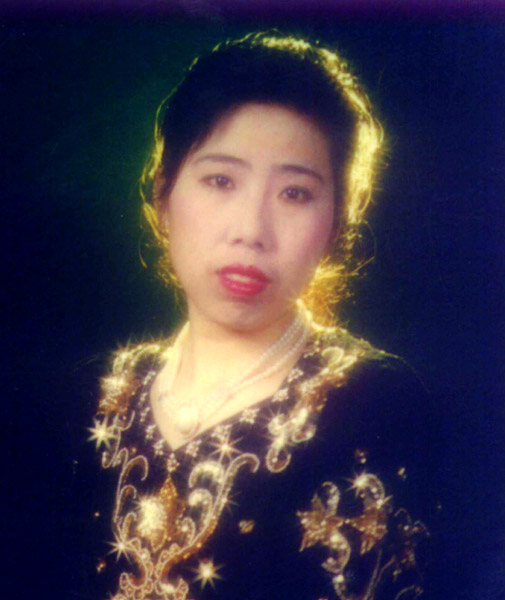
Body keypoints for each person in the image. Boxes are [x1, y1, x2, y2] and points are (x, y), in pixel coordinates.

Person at [89, 32, 438, 600]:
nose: (251, 230)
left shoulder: (373, 402)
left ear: (336, 225)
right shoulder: (103, 396)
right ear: (163, 193)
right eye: (220, 181)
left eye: (295, 194)